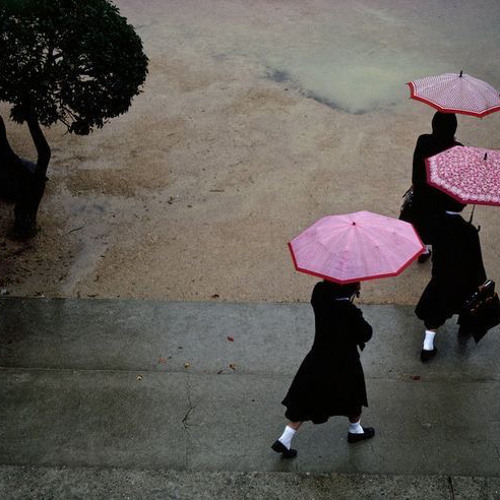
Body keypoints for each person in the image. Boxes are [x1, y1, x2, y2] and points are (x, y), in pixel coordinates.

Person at [271, 280, 374, 459]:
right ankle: (355, 430)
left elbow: (322, 290)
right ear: (351, 289)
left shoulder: (321, 296)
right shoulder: (350, 312)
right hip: (345, 362)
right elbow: (366, 333)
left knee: (306, 400)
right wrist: (352, 298)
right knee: (353, 396)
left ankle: (285, 438)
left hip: (318, 358)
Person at [416, 211, 486, 361]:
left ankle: (428, 346)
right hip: (465, 279)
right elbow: (476, 260)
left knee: (437, 310)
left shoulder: (437, 227)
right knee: (468, 304)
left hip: (442, 277)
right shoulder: (469, 231)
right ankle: (465, 329)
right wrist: (481, 281)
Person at [409, 111, 465, 262]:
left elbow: (416, 174)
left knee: (422, 222)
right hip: (446, 204)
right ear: (454, 128)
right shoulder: (459, 149)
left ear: (433, 125)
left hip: (422, 198)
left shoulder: (423, 141)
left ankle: (423, 249)